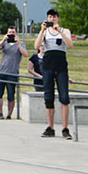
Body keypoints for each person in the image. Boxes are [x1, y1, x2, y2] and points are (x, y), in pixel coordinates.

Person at [35, 9, 74, 139]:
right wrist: (41, 31)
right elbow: (36, 45)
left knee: (64, 96)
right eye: (50, 17)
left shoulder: (65, 31)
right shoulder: (45, 32)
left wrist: (59, 32)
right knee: (48, 96)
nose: (52, 19)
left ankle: (65, 127)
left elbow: (70, 44)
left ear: (58, 18)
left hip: (61, 65)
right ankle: (50, 127)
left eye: (54, 17)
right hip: (48, 65)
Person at [0, 26, 28, 119]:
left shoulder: (21, 44)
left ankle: (9, 114)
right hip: (2, 72)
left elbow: (25, 54)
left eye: (13, 32)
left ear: (16, 34)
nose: (11, 34)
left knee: (11, 95)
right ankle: (0, 112)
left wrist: (18, 43)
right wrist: (3, 40)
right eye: (10, 32)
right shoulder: (5, 43)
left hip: (12, 73)